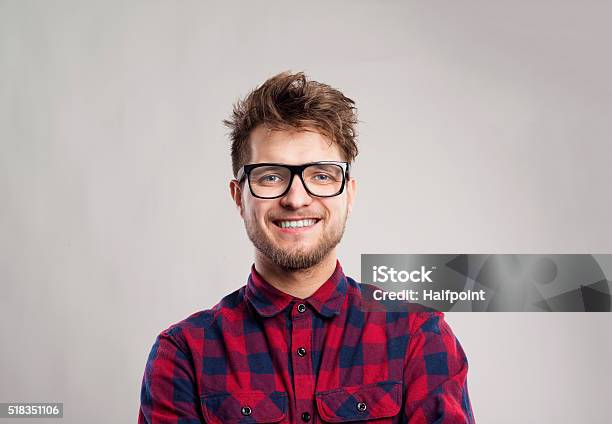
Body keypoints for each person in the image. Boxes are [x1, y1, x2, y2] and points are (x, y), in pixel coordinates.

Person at [138, 71, 475, 423]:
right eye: (270, 176)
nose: (296, 199)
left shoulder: (418, 337)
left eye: (321, 176)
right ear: (239, 198)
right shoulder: (184, 354)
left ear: (349, 194)